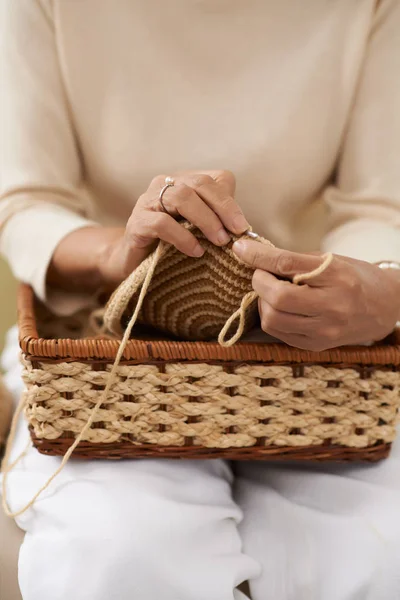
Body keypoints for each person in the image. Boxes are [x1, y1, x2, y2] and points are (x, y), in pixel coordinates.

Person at [1, 1, 400, 598]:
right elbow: (27, 202)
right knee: (119, 549)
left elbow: (380, 206)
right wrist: (122, 255)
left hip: (322, 357)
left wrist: (377, 285)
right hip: (103, 349)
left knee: (375, 550)